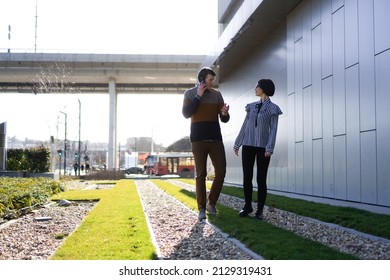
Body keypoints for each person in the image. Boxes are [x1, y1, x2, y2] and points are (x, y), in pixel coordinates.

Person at [182, 67, 230, 221]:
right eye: (210, 80)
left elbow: (224, 119)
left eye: (213, 80)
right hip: (198, 140)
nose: (212, 83)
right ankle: (202, 208)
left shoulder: (217, 95)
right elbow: (186, 114)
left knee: (221, 171)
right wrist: (198, 96)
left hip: (215, 139)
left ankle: (212, 203)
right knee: (201, 175)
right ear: (202, 80)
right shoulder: (189, 94)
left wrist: (224, 113)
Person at [233, 79, 282, 220]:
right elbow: (245, 126)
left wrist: (270, 147)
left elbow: (273, 130)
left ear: (264, 89)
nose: (255, 88)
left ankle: (259, 211)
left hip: (263, 148)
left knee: (261, 179)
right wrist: (237, 143)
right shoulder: (251, 107)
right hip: (247, 145)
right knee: (247, 177)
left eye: (257, 86)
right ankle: (247, 206)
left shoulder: (273, 109)